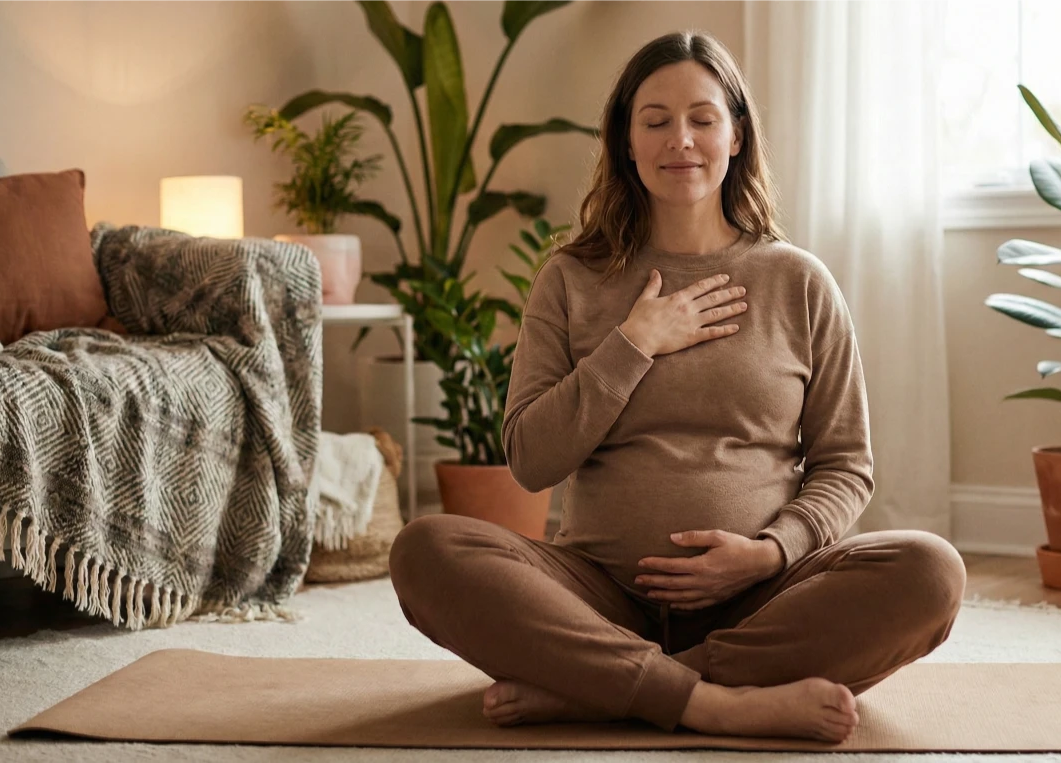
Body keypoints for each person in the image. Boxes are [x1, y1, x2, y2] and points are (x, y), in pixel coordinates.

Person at [388, 30, 966, 744]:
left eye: (702, 119)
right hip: (596, 596)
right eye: (655, 120)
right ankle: (715, 702)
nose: (680, 140)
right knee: (425, 549)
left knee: (930, 572)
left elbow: (846, 466)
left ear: (736, 135)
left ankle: (603, 688)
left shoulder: (799, 281)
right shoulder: (569, 279)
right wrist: (633, 344)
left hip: (763, 602)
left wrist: (769, 553)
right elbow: (531, 460)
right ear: (627, 142)